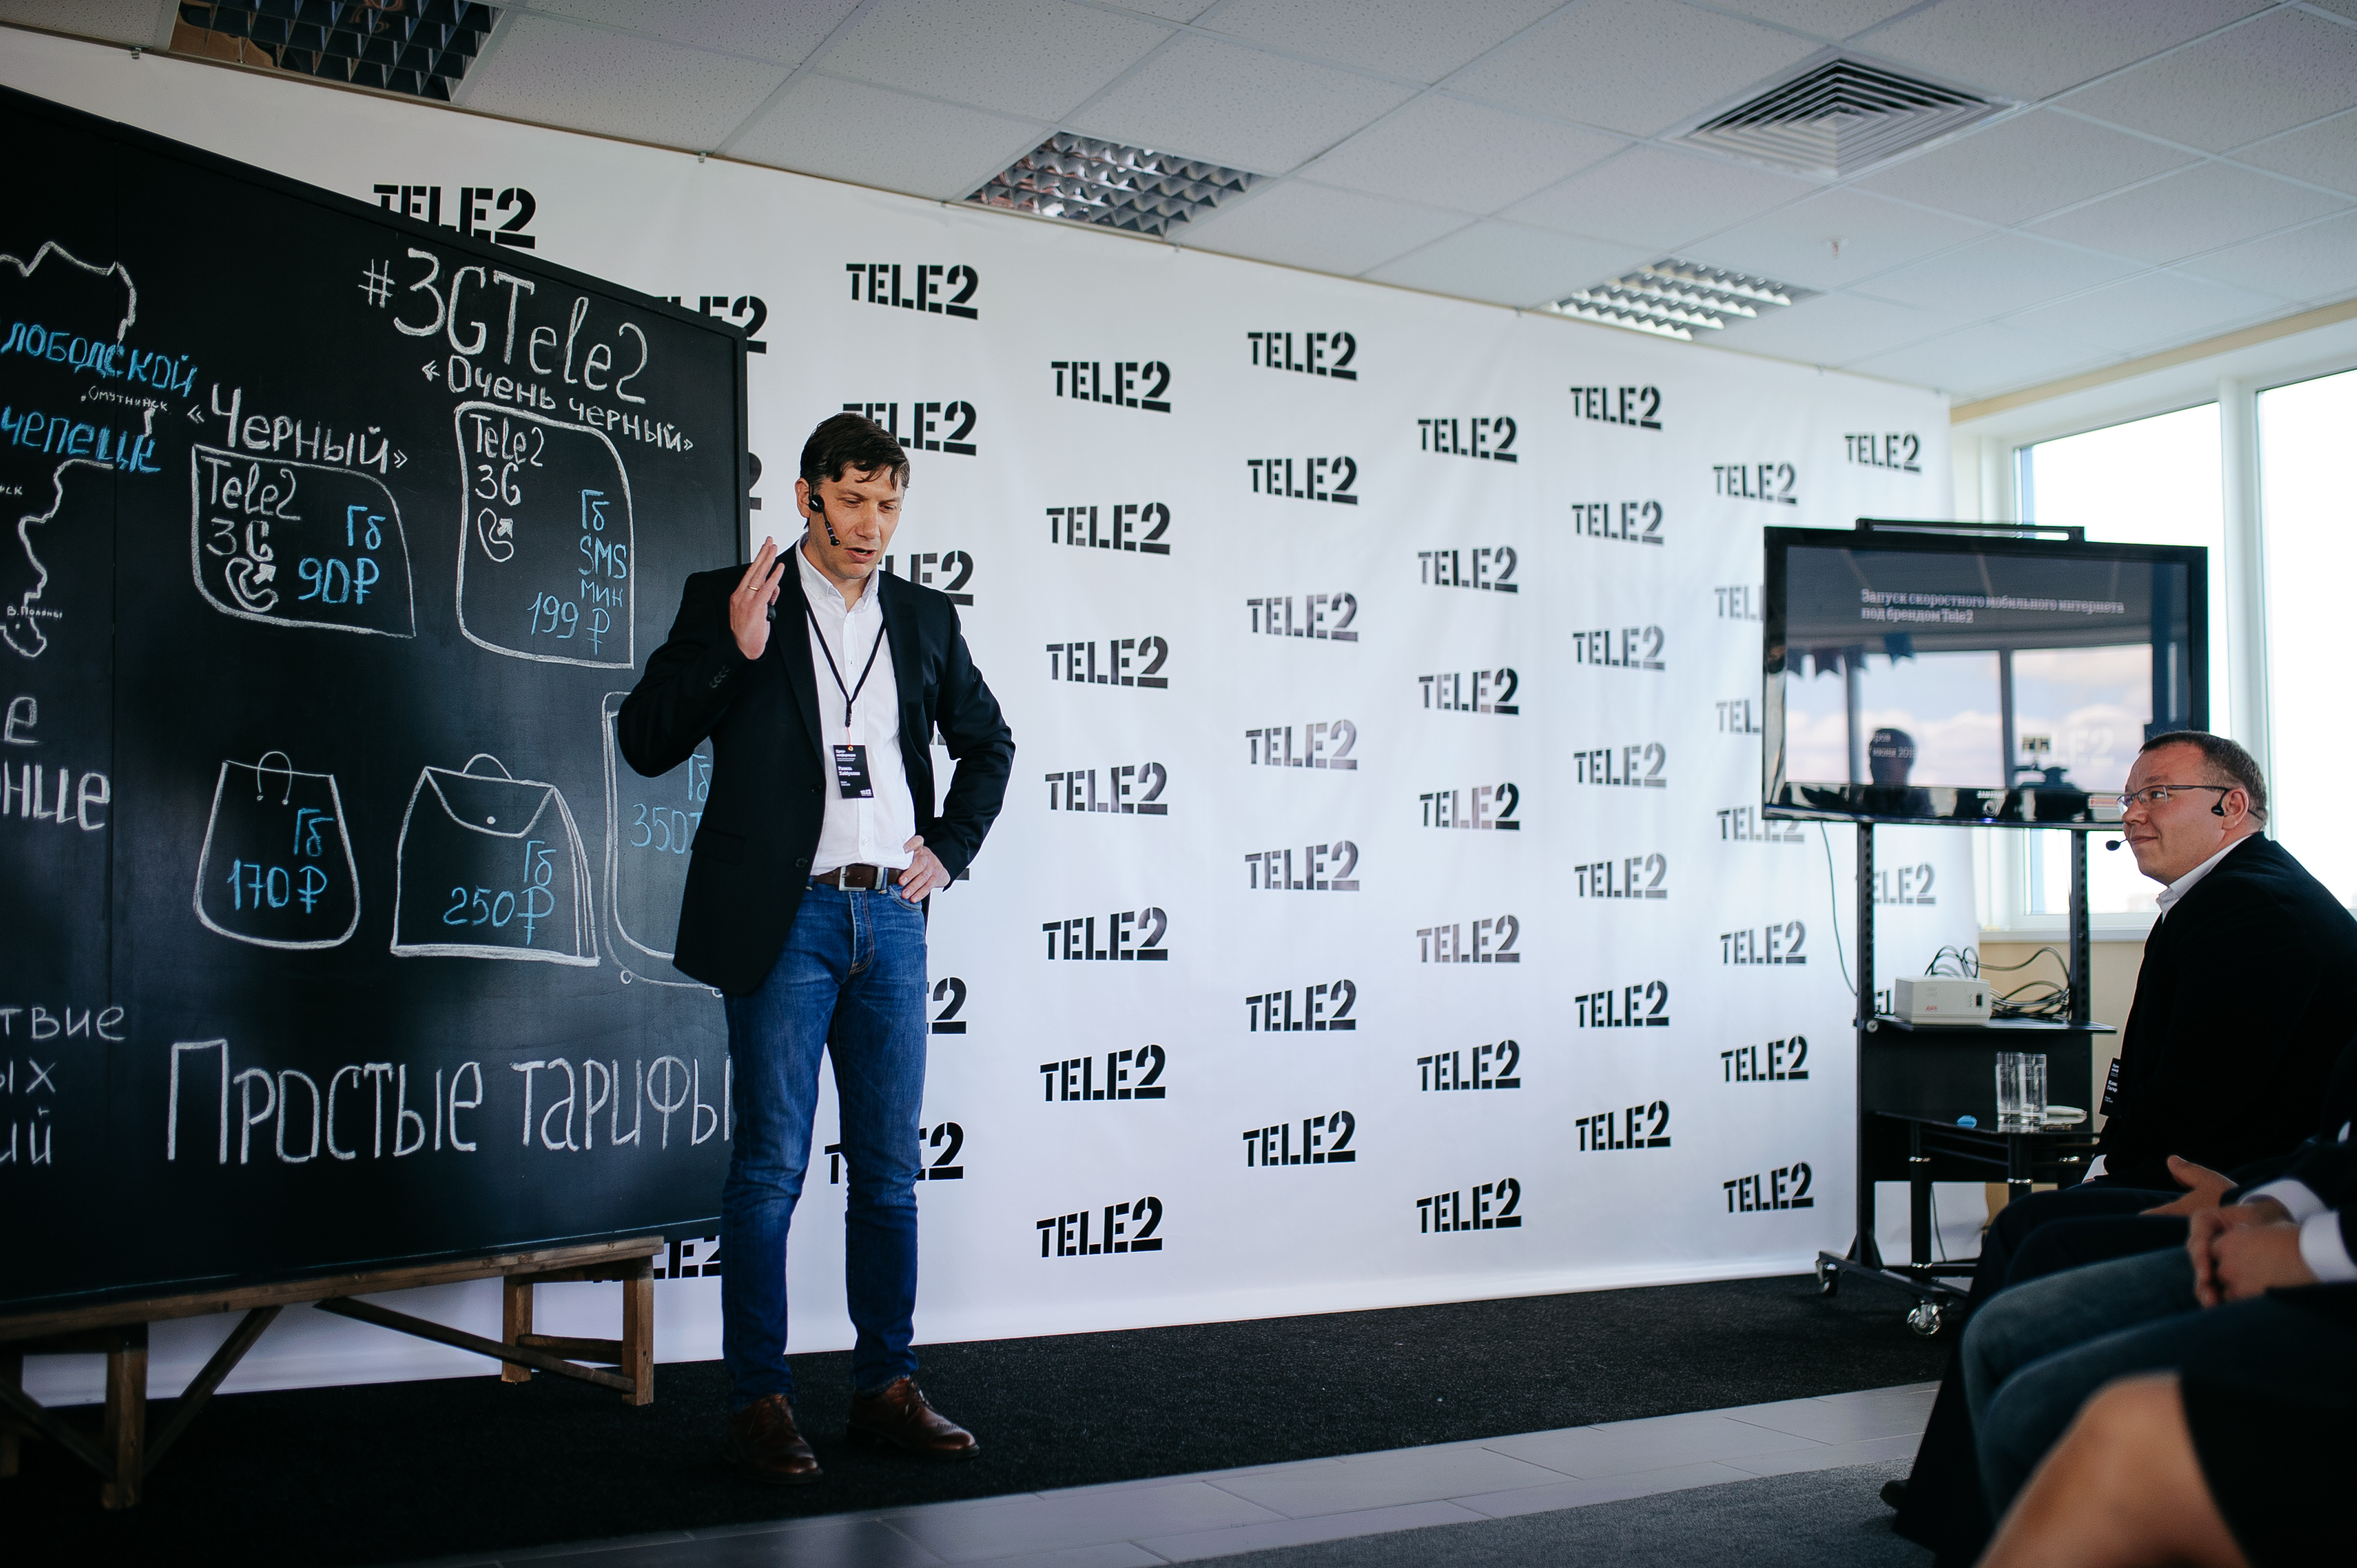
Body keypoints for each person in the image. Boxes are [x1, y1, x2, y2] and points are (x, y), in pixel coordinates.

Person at [619, 412, 1014, 1485]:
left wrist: (949, 850)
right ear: (805, 499)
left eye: (888, 504)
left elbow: (989, 743)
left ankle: (886, 1389)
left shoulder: (923, 617)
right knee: (769, 1172)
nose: (870, 524)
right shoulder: (733, 599)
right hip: (783, 920)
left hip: (890, 919)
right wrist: (733, 655)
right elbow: (644, 741)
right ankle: (759, 1403)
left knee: (887, 1176)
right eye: (851, 501)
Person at [1890, 731, 2357, 1559]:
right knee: (2029, 1229)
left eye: (2157, 795)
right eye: (2129, 799)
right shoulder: (2228, 895)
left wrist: (2130, 1174)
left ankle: (1965, 1504)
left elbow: (2206, 1095)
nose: (2132, 815)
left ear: (2232, 806)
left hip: (2236, 1172)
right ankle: (1959, 1495)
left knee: (2034, 1230)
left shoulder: (2259, 909)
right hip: (2263, 1172)